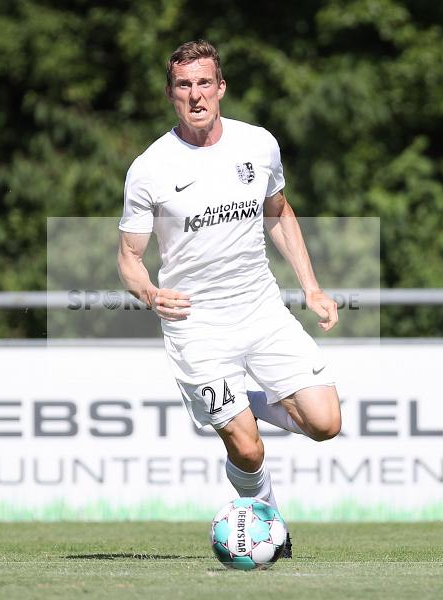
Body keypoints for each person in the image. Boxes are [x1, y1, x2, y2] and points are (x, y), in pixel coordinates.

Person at [117, 40, 341, 558]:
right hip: (198, 326)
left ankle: (250, 404)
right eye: (183, 85)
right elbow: (129, 257)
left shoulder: (257, 144)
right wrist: (151, 292)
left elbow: (279, 212)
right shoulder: (149, 168)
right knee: (246, 445)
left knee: (327, 424)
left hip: (262, 310)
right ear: (171, 94)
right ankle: (269, 522)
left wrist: (311, 286)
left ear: (221, 87)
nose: (195, 95)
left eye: (203, 83)